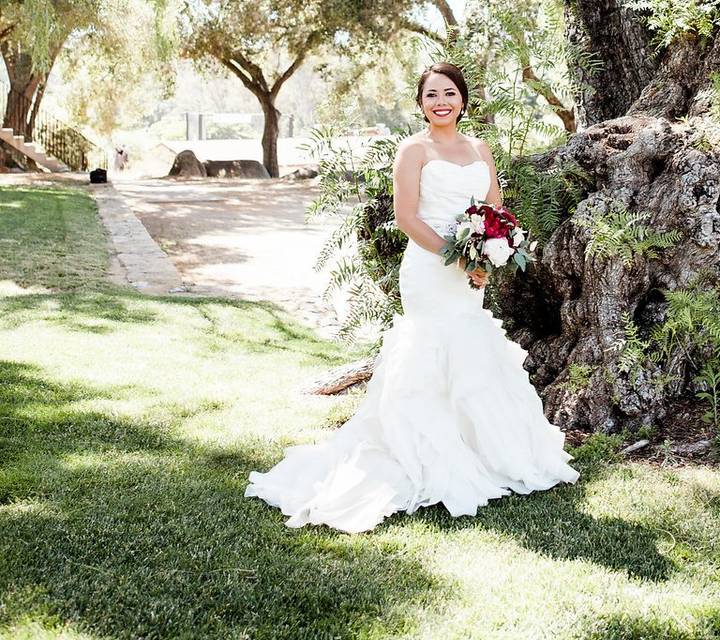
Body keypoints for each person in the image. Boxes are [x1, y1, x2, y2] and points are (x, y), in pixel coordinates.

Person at [244, 62, 579, 534]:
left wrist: (489, 251)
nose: (441, 102)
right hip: (429, 267)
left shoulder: (480, 148)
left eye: (449, 93)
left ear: (463, 99)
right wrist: (456, 254)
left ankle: (481, 450)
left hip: (471, 269)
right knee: (429, 352)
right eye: (431, 96)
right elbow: (406, 217)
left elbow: (495, 210)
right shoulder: (412, 150)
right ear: (421, 104)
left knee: (470, 350)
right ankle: (421, 454)